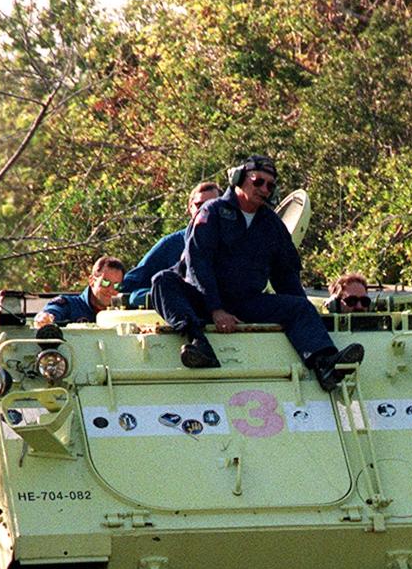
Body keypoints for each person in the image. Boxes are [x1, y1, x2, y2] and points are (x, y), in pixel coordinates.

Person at [150, 154, 363, 391]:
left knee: (300, 307)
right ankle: (197, 343)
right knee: (162, 281)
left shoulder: (271, 225)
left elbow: (286, 274)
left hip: (245, 301)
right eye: (258, 181)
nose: (264, 189)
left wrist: (306, 316)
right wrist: (216, 309)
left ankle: (325, 364)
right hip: (202, 300)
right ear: (240, 179)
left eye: (270, 186)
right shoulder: (213, 213)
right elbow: (198, 263)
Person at [119, 181, 222, 308]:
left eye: (211, 205)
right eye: (198, 205)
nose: (204, 210)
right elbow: (130, 285)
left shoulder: (237, 241)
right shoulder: (171, 244)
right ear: (189, 208)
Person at [33, 255, 127, 328]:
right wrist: (45, 318)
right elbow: (52, 312)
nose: (111, 290)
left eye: (116, 286)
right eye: (105, 283)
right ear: (91, 281)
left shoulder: (124, 313)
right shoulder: (69, 305)